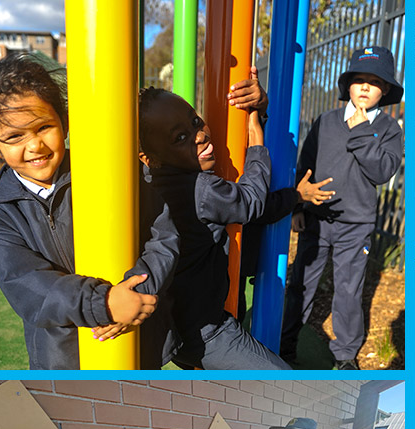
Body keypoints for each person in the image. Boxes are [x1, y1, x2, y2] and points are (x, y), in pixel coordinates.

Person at [0, 53, 179, 369]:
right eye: (14, 137)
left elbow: (162, 232)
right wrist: (103, 303)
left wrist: (136, 292)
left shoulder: (108, 169)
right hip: (63, 358)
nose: (35, 146)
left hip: (136, 339)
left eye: (43, 127)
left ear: (64, 123)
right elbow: (26, 283)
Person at [138, 70, 330, 370]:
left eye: (195, 121)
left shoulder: (150, 182)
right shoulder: (201, 188)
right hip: (208, 331)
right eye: (180, 137)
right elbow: (252, 201)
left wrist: (259, 110)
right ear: (150, 157)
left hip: (178, 329)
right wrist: (255, 138)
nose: (199, 135)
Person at [280, 45, 403, 370]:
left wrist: (362, 131)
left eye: (374, 82)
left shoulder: (388, 129)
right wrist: (297, 208)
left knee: (349, 291)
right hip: (316, 220)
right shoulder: (326, 121)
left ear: (385, 89)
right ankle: (284, 345)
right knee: (300, 284)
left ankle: (345, 354)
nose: (365, 87)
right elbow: (304, 166)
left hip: (356, 225)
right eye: (358, 79)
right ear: (347, 85)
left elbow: (382, 171)